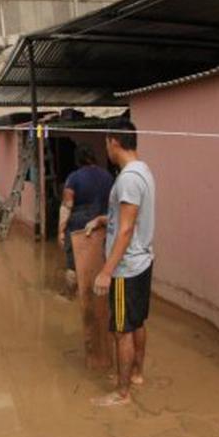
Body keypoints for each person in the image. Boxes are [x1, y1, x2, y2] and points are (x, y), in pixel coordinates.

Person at [86, 119, 155, 407]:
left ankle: (122, 392)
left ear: (114, 142)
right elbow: (129, 218)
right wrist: (104, 219)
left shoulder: (127, 178)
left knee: (121, 329)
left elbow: (126, 230)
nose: (106, 149)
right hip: (143, 261)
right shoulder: (143, 171)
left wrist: (106, 270)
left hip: (125, 268)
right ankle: (137, 374)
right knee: (137, 322)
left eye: (106, 143)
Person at [58, 145, 113, 289]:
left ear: (78, 160)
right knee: (98, 262)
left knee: (73, 265)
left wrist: (61, 231)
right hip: (101, 226)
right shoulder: (108, 177)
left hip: (78, 228)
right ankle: (97, 296)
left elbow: (67, 206)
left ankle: (70, 297)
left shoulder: (74, 178)